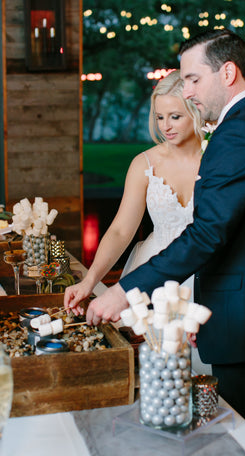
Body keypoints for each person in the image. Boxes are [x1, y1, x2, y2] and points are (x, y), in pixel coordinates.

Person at [72, 29, 245, 455]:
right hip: (240, 310)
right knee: (241, 435)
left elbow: (207, 233)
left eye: (193, 79)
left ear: (228, 71)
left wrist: (126, 290)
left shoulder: (239, 132)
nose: (187, 91)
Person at [64, 69, 204, 315]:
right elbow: (120, 230)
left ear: (195, 111)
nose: (166, 127)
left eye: (175, 116)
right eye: (160, 117)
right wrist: (90, 280)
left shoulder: (216, 161)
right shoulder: (144, 164)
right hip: (153, 275)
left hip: (206, 274)